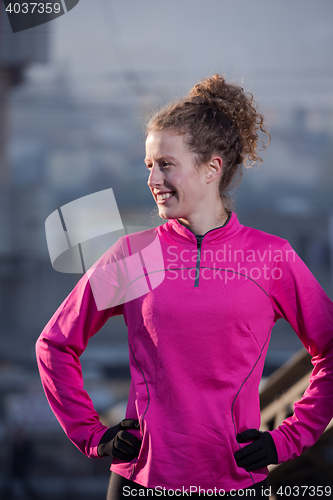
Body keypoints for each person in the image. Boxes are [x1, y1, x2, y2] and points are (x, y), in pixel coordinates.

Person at [36, 74, 333, 499]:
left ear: (212, 167)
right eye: (149, 166)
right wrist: (92, 434)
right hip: (139, 482)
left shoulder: (271, 258)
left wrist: (287, 438)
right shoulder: (132, 255)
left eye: (166, 164)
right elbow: (55, 344)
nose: (153, 179)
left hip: (236, 483)